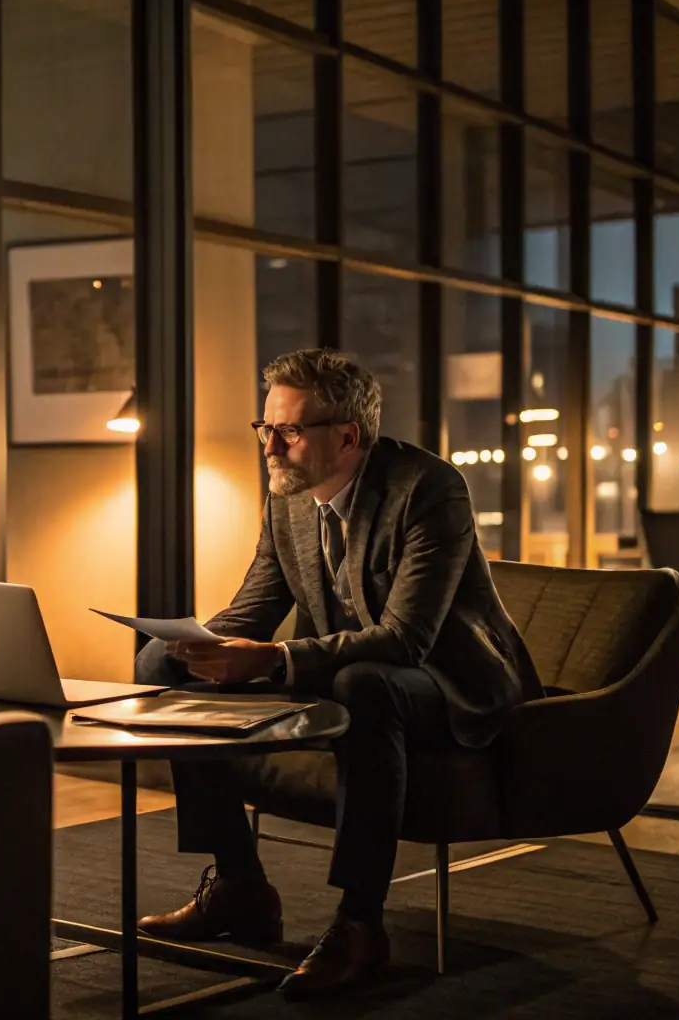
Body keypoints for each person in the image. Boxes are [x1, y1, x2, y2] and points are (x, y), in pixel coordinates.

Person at [135, 348, 541, 1001]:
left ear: (346, 436)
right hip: (348, 668)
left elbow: (406, 640)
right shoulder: (290, 498)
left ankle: (359, 923)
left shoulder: (427, 489)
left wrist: (274, 659)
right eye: (263, 428)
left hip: (449, 683)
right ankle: (238, 883)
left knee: (365, 685)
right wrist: (191, 644)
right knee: (160, 664)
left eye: (287, 430)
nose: (269, 445)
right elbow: (254, 608)